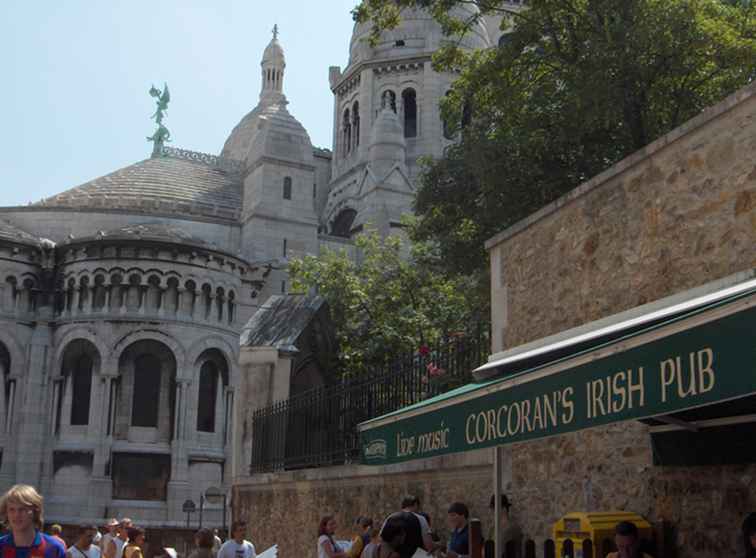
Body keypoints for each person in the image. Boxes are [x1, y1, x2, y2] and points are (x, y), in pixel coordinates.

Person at [0, 484, 66, 558]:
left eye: (22, 509)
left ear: (35, 511)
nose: (16, 515)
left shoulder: (54, 548)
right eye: (11, 509)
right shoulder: (1, 546)